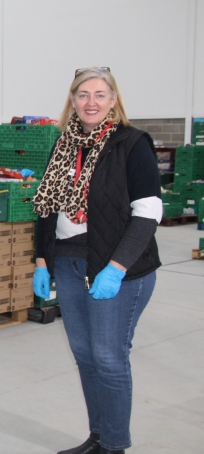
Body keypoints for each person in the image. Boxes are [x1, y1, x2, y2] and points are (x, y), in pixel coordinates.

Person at [32, 68, 161, 454]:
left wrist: (117, 267)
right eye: (83, 94)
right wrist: (41, 261)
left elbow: (148, 212)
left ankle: (115, 445)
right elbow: (47, 207)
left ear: (113, 100)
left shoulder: (132, 143)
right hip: (69, 264)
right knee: (86, 357)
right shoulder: (64, 145)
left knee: (108, 357)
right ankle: (98, 437)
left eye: (100, 94)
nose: (91, 102)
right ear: (72, 101)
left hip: (117, 269)